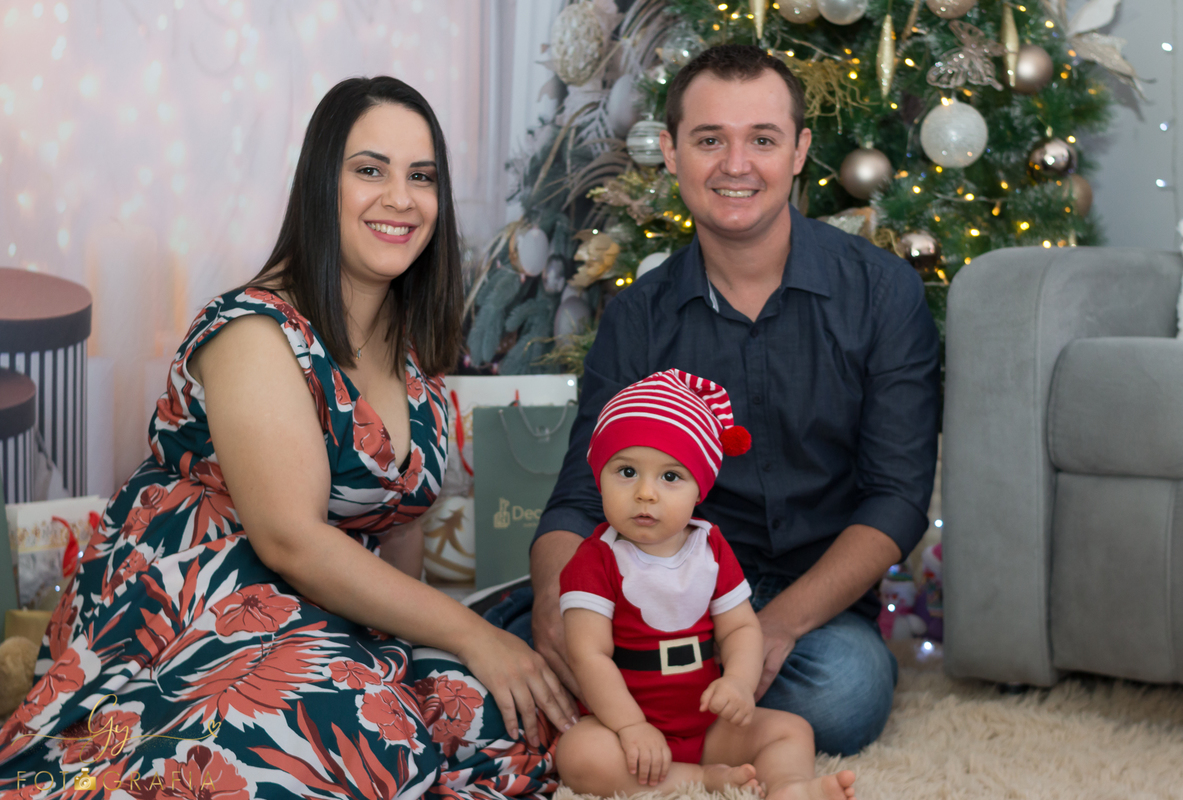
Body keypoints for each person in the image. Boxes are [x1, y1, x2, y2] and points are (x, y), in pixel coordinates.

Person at [0, 76, 575, 800]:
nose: (401, 197)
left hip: (330, 614)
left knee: (491, 710)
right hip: (196, 607)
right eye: (370, 170)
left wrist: (434, 659)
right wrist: (472, 632)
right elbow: (289, 542)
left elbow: (398, 540)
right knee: (350, 728)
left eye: (421, 177)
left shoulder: (411, 353)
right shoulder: (254, 329)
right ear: (319, 187)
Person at [511, 44, 941, 757]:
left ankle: (658, 710)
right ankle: (678, 706)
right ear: (672, 153)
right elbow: (581, 498)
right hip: (657, 590)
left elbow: (896, 497)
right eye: (710, 140)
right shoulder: (638, 315)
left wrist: (775, 628)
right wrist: (555, 604)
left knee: (846, 692)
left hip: (812, 603)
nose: (736, 166)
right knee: (515, 655)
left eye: (762, 140)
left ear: (800, 151)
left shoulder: (882, 294)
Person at [554, 369, 856, 800]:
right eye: (625, 471)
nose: (645, 493)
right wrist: (631, 726)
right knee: (580, 754)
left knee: (791, 730)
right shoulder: (594, 559)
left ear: (700, 487)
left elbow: (740, 629)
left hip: (707, 723)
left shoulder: (710, 546)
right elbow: (589, 656)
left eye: (670, 477)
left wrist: (738, 682)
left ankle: (790, 787)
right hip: (628, 732)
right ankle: (697, 781)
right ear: (598, 474)